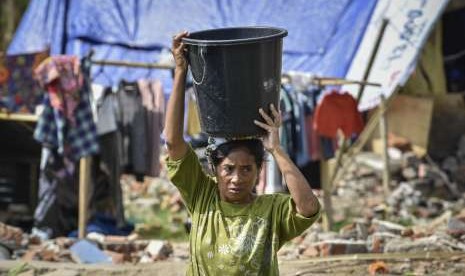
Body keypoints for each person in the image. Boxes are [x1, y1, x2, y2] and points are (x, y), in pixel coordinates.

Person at [164, 31, 321, 275]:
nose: (237, 178)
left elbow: (308, 207)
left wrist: (276, 150)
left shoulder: (270, 210)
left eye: (247, 169)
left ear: (259, 171)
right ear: (215, 169)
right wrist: (180, 70)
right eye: (228, 169)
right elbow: (173, 143)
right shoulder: (202, 197)